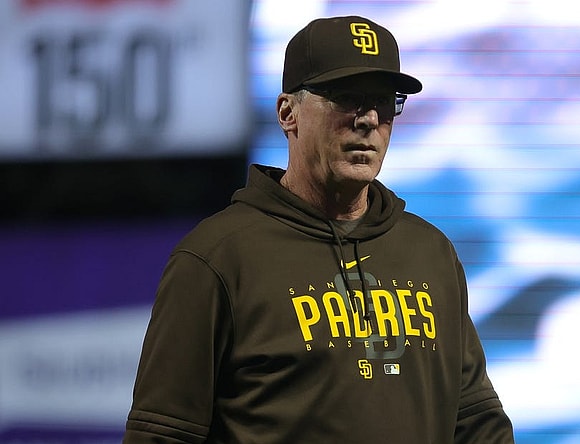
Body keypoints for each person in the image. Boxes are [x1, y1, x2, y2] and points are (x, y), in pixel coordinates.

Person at [123, 15, 514, 443]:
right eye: (346, 98)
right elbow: (163, 434)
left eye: (384, 101)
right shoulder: (217, 258)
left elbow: (477, 421)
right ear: (288, 113)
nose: (368, 120)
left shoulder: (430, 253)